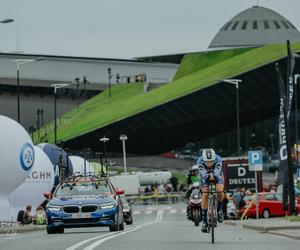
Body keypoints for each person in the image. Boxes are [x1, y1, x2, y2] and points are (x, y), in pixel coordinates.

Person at [197, 148, 224, 233]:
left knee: (219, 190)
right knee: (205, 194)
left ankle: (219, 209)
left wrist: (214, 176)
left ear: (214, 158)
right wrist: (208, 177)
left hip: (217, 174)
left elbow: (217, 171)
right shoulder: (200, 161)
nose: (209, 164)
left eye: (211, 161)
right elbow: (203, 173)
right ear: (203, 160)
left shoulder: (218, 159)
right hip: (205, 175)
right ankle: (204, 220)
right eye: (207, 162)